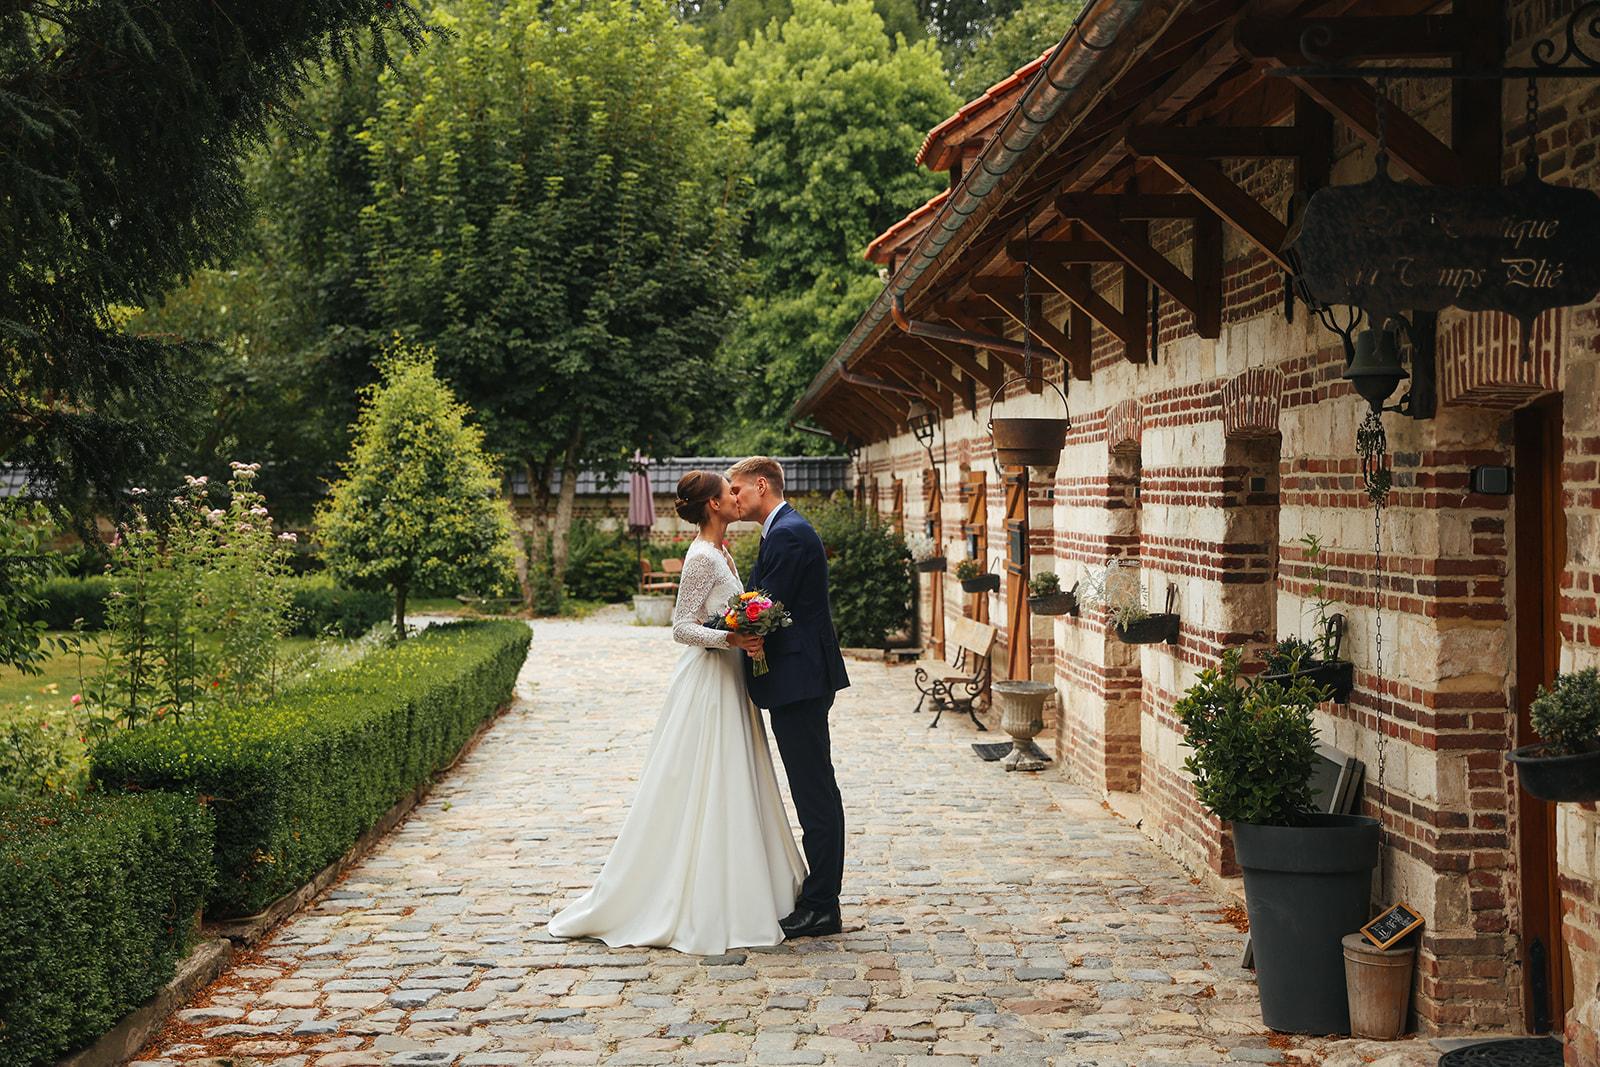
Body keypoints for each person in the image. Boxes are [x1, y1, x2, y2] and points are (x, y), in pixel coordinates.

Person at [546, 470, 805, 954]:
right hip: (708, 683)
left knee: (734, 779)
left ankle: (745, 880)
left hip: (728, 677)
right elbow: (681, 627)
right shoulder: (702, 557)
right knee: (707, 780)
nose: (736, 495)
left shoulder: (722, 549)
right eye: (728, 491)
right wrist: (729, 637)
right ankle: (698, 894)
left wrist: (743, 633)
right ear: (712, 504)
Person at [726, 456, 850, 939]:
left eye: (737, 489)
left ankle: (823, 905)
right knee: (813, 786)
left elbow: (763, 607)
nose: (733, 498)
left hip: (800, 680)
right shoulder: (780, 530)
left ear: (762, 485)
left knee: (814, 790)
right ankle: (822, 899)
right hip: (799, 678)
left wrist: (714, 631)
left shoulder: (789, 533)